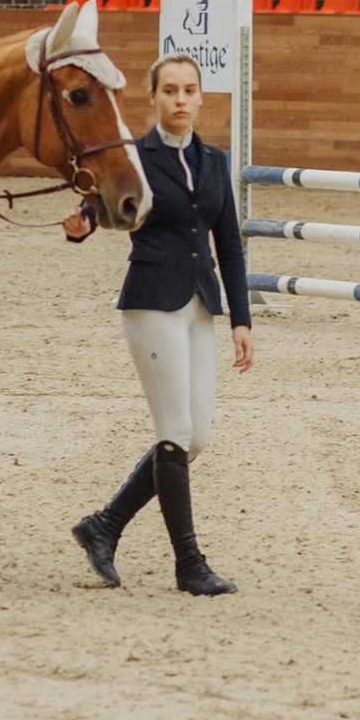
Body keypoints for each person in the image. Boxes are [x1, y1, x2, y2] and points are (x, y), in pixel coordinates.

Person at [62, 52, 253, 595]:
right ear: (154, 97)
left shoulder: (215, 162)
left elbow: (230, 246)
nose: (181, 99)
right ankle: (189, 564)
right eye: (170, 90)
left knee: (195, 439)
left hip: (199, 306)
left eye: (189, 90)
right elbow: (103, 206)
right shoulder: (136, 157)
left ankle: (105, 525)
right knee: (174, 432)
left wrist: (241, 319)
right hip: (150, 302)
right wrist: (83, 225)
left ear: (200, 97)